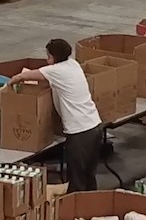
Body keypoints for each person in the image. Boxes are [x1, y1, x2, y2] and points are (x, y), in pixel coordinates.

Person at [15, 39, 103, 192]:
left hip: (79, 133)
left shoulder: (54, 71)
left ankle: (75, 211)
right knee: (89, 175)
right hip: (95, 125)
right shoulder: (74, 64)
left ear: (54, 57)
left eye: (48, 56)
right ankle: (91, 207)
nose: (46, 59)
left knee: (76, 179)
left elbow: (22, 77)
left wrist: (7, 88)